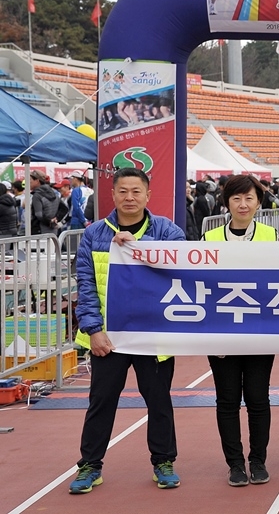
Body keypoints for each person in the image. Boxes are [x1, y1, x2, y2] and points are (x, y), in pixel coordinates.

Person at [69, 168, 187, 494]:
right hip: (110, 336)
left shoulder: (167, 231)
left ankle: (164, 462)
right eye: (123, 191)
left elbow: (181, 267)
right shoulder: (94, 234)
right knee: (101, 401)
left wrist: (140, 245)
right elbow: (86, 286)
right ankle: (90, 465)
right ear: (113, 194)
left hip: (154, 335)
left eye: (136, 191)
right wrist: (93, 329)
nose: (130, 198)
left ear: (148, 195)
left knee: (159, 401)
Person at [202, 175, 279, 487]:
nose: (243, 204)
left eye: (249, 198)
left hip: (260, 332)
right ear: (226, 202)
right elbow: (202, 287)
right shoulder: (209, 239)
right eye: (236, 198)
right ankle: (235, 464)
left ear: (258, 202)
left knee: (258, 399)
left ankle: (258, 461)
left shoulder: (271, 236)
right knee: (227, 400)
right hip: (222, 334)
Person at [29, 171, 60, 235]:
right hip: (53, 231)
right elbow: (64, 209)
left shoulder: (37, 195)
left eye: (30, 179)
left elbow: (39, 215)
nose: (28, 182)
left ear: (37, 181)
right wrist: (56, 219)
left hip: (39, 230)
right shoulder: (53, 193)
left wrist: (49, 222)